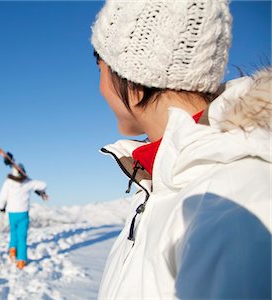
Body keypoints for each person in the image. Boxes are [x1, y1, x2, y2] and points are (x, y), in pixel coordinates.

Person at [90, 0, 271, 298]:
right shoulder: (163, 177)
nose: (99, 87)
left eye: (101, 68)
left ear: (131, 77)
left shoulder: (231, 200)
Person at [0, 162, 47, 270]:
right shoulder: (28, 183)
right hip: (23, 212)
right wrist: (29, 179)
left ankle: (12, 250)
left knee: (13, 232)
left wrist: (1, 207)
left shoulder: (8, 182)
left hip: (12, 212)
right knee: (22, 237)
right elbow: (43, 185)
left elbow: (3, 196)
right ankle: (21, 260)